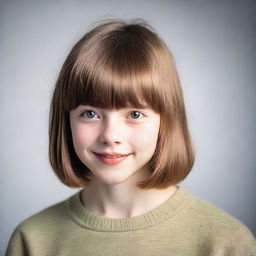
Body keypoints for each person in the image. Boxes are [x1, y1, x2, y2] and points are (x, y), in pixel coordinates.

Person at [5, 18, 256, 256]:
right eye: (90, 113)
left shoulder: (225, 242)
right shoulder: (33, 240)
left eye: (135, 113)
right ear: (66, 119)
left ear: (166, 121)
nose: (111, 136)